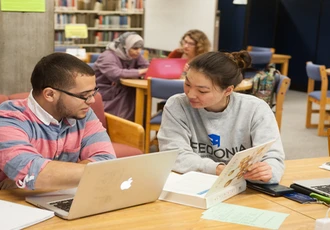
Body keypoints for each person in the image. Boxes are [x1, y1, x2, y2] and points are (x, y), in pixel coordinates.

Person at [0, 53, 116, 194]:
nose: (92, 100)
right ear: (50, 94)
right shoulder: (1, 121)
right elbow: (37, 175)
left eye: (93, 92)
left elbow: (106, 160)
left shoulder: (82, 113)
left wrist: (36, 181)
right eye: (84, 95)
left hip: (37, 200)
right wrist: (37, 178)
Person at [157, 51, 285, 184]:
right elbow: (173, 155)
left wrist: (268, 171)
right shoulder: (177, 105)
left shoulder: (255, 108)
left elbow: (273, 157)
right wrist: (218, 169)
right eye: (187, 84)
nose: (191, 94)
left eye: (202, 91)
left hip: (245, 188)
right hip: (195, 184)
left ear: (228, 90)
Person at [94, 32, 149, 121]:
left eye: (140, 48)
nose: (138, 51)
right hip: (108, 92)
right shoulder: (107, 56)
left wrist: (144, 70)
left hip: (124, 88)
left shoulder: (134, 54)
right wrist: (140, 72)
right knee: (131, 94)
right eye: (135, 48)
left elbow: (146, 66)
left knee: (139, 95)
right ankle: (128, 126)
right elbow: (116, 74)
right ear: (125, 47)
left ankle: (139, 125)